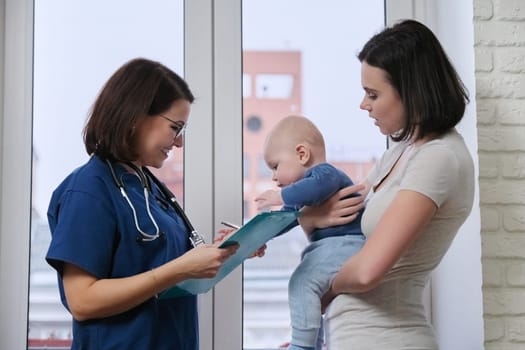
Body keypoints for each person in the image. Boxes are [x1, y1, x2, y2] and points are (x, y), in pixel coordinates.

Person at [297, 19, 475, 349]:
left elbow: (367, 273)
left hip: (389, 339)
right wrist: (303, 219)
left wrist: (319, 288)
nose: (363, 105)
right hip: (354, 335)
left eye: (373, 94)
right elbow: (336, 222)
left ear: (412, 92)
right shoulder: (399, 154)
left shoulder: (439, 159)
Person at [45, 58, 240, 350]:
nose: (179, 143)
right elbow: (82, 301)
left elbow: (176, 272)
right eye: (175, 127)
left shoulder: (151, 190)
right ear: (136, 115)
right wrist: (179, 269)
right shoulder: (88, 190)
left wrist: (228, 250)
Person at [254, 115, 365, 350]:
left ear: (302, 154)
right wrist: (252, 235)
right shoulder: (304, 194)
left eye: (276, 166)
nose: (274, 177)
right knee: (308, 290)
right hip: (334, 246)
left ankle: (303, 346)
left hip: (346, 244)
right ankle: (312, 343)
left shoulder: (325, 174)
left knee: (302, 283)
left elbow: (314, 189)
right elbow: (285, 219)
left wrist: (281, 196)